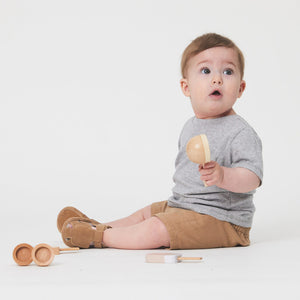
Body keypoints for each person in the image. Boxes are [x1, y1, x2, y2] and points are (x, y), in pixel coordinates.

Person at [57, 33, 263, 250]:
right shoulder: (190, 126)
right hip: (183, 206)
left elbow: (253, 177)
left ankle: (97, 238)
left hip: (222, 220)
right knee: (146, 214)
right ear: (186, 87)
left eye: (228, 71)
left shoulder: (240, 132)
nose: (217, 79)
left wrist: (223, 175)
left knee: (156, 229)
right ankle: (95, 227)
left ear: (240, 88)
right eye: (205, 71)